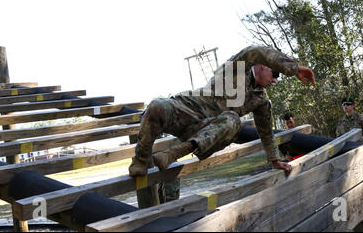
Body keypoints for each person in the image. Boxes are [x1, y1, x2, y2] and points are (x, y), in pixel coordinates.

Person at [129, 45, 316, 179]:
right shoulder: (237, 67)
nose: (275, 80)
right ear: (261, 66)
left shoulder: (261, 100)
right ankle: (141, 158)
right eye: (275, 74)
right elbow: (256, 51)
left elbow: (266, 133)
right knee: (156, 105)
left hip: (207, 131)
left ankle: (174, 153)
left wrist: (275, 160)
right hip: (187, 109)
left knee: (233, 120)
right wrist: (294, 68)